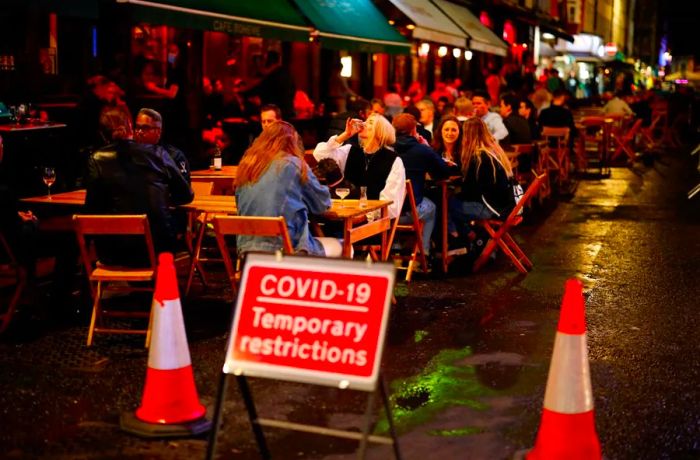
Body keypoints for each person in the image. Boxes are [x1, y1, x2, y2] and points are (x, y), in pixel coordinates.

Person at [85, 107, 193, 264]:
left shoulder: (96, 159)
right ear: (130, 126)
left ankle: (77, 287)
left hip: (112, 253)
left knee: (70, 240)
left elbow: (92, 207)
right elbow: (186, 195)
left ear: (102, 134)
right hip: (158, 250)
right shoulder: (158, 153)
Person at [235, 121, 341, 257]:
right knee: (345, 246)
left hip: (247, 251)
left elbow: (239, 204)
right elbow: (322, 204)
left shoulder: (246, 166)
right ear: (292, 142)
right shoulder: (294, 165)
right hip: (286, 250)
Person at [313, 113, 405, 220]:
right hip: (345, 217)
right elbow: (320, 155)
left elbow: (391, 208)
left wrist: (364, 216)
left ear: (380, 132)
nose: (363, 124)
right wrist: (345, 135)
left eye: (370, 122)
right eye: (365, 121)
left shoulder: (393, 160)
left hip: (374, 224)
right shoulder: (349, 151)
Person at [448, 118, 516, 249]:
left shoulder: (478, 157)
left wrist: (456, 184)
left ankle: (469, 240)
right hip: (505, 205)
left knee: (444, 207)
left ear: (467, 135)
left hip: (491, 208)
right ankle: (477, 240)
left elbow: (472, 191)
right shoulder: (493, 151)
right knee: (451, 204)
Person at [392, 113, 451, 257]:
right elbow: (444, 173)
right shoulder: (421, 150)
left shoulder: (387, 149)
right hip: (410, 211)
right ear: (414, 130)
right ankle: (422, 252)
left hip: (387, 211)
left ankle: (396, 244)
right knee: (431, 207)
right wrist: (427, 148)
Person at [134, 108, 190, 183]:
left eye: (145, 128)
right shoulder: (130, 155)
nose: (139, 132)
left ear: (158, 132)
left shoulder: (175, 156)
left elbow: (184, 191)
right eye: (138, 127)